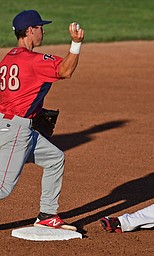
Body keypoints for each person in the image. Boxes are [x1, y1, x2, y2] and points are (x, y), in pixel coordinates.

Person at [0, 10, 84, 230]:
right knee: (3, 188)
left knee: (55, 158)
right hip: (16, 130)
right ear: (30, 31)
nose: (43, 31)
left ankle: (47, 214)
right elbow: (65, 71)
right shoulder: (34, 61)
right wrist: (76, 43)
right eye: (40, 27)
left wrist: (33, 112)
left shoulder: (8, 58)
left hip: (10, 123)